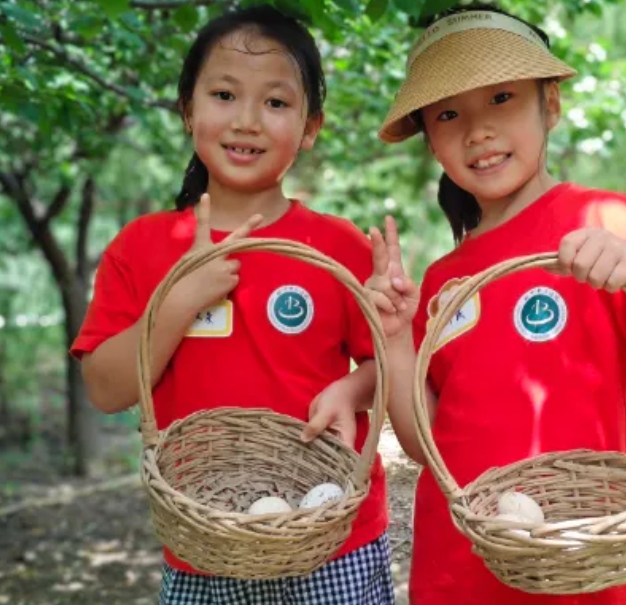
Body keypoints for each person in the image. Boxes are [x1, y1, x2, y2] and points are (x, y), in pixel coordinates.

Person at [366, 4, 626, 604]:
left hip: (577, 574)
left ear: (550, 105)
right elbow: (423, 442)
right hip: (454, 572)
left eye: (501, 98)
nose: (478, 130)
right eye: (449, 114)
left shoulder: (608, 226)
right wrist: (396, 337)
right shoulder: (446, 279)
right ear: (430, 140)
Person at [71, 5, 393, 604]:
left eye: (275, 102)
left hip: (330, 542)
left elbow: (389, 365)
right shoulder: (142, 247)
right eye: (224, 95)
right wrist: (178, 302)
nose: (247, 120)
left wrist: (352, 390)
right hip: (202, 545)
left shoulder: (336, 246)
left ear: (310, 127)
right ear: (188, 110)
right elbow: (106, 390)